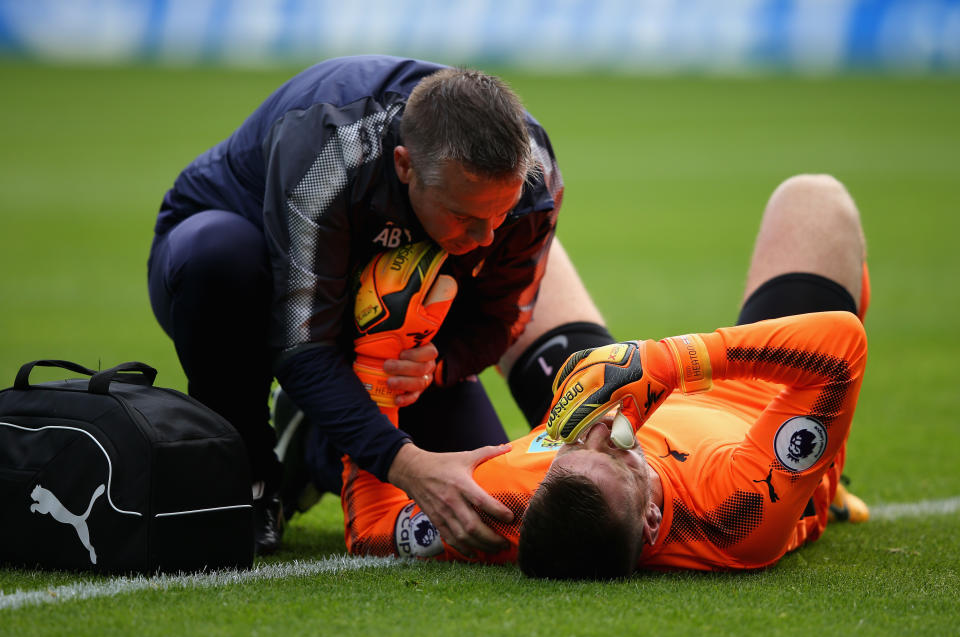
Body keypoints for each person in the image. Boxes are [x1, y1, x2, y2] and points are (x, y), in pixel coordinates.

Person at [338, 173, 871, 578]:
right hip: (761, 398)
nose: (597, 431)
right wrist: (665, 362)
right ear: (651, 521)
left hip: (608, 382)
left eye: (569, 450)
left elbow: (372, 530)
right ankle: (831, 480)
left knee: (502, 227)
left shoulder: (506, 507)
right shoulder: (737, 512)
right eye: (618, 452)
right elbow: (840, 347)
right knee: (814, 199)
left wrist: (376, 365)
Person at [147, 55, 566, 555]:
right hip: (247, 287)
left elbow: (502, 319)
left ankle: (313, 445)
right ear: (405, 165)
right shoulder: (331, 147)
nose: (486, 237)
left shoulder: (535, 172)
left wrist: (438, 364)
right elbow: (301, 343)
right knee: (219, 256)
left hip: (386, 324)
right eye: (464, 216)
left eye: (502, 213)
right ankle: (251, 471)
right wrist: (406, 464)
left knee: (484, 502)